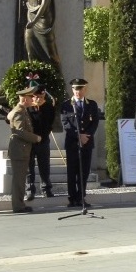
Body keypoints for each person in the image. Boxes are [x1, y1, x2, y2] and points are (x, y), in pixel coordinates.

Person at [59, 78, 100, 208]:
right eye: (75, 89)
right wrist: (78, 136)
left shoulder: (91, 104)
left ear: (85, 89)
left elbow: (95, 122)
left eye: (80, 89)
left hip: (87, 142)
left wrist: (86, 136)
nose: (78, 92)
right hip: (72, 143)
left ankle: (81, 197)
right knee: (72, 172)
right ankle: (72, 198)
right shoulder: (66, 105)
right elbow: (66, 124)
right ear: (72, 90)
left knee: (84, 172)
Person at [7, 85, 42, 213]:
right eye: (31, 97)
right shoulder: (18, 112)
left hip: (22, 150)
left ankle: (20, 204)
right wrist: (36, 138)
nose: (33, 99)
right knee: (19, 180)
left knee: (21, 179)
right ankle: (18, 206)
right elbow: (20, 132)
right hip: (19, 150)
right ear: (24, 99)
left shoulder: (22, 110)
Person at [25, 85, 55, 200]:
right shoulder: (27, 108)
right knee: (29, 167)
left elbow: (50, 123)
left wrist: (41, 108)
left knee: (44, 166)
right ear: (32, 97)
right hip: (30, 141)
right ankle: (30, 190)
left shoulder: (48, 107)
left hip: (43, 140)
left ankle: (46, 188)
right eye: (36, 96)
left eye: (41, 97)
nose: (38, 99)